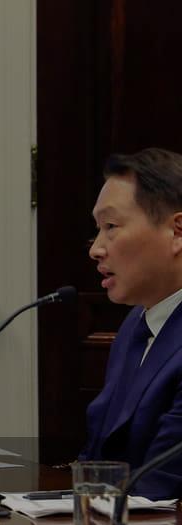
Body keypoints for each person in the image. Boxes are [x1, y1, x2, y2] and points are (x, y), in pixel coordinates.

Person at [82, 147, 182, 499]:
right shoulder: (136, 324)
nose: (96, 249)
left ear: (177, 231)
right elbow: (100, 458)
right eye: (97, 229)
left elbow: (163, 485)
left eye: (111, 227)